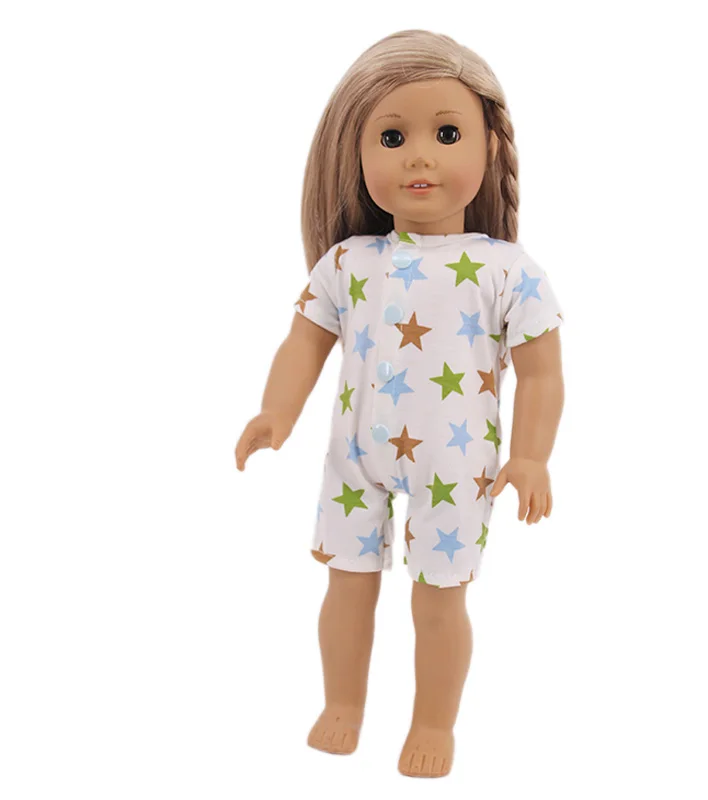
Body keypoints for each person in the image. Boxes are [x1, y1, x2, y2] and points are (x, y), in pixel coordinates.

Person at [235, 29, 565, 778]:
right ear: (355, 152)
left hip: (456, 463)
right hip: (354, 454)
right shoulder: (348, 262)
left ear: (490, 146)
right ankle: (343, 703)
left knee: (438, 599)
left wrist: (531, 455)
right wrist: (276, 412)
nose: (420, 157)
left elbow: (543, 373)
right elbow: (304, 344)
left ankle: (433, 722)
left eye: (447, 134)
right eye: (392, 137)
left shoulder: (506, 270)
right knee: (345, 585)